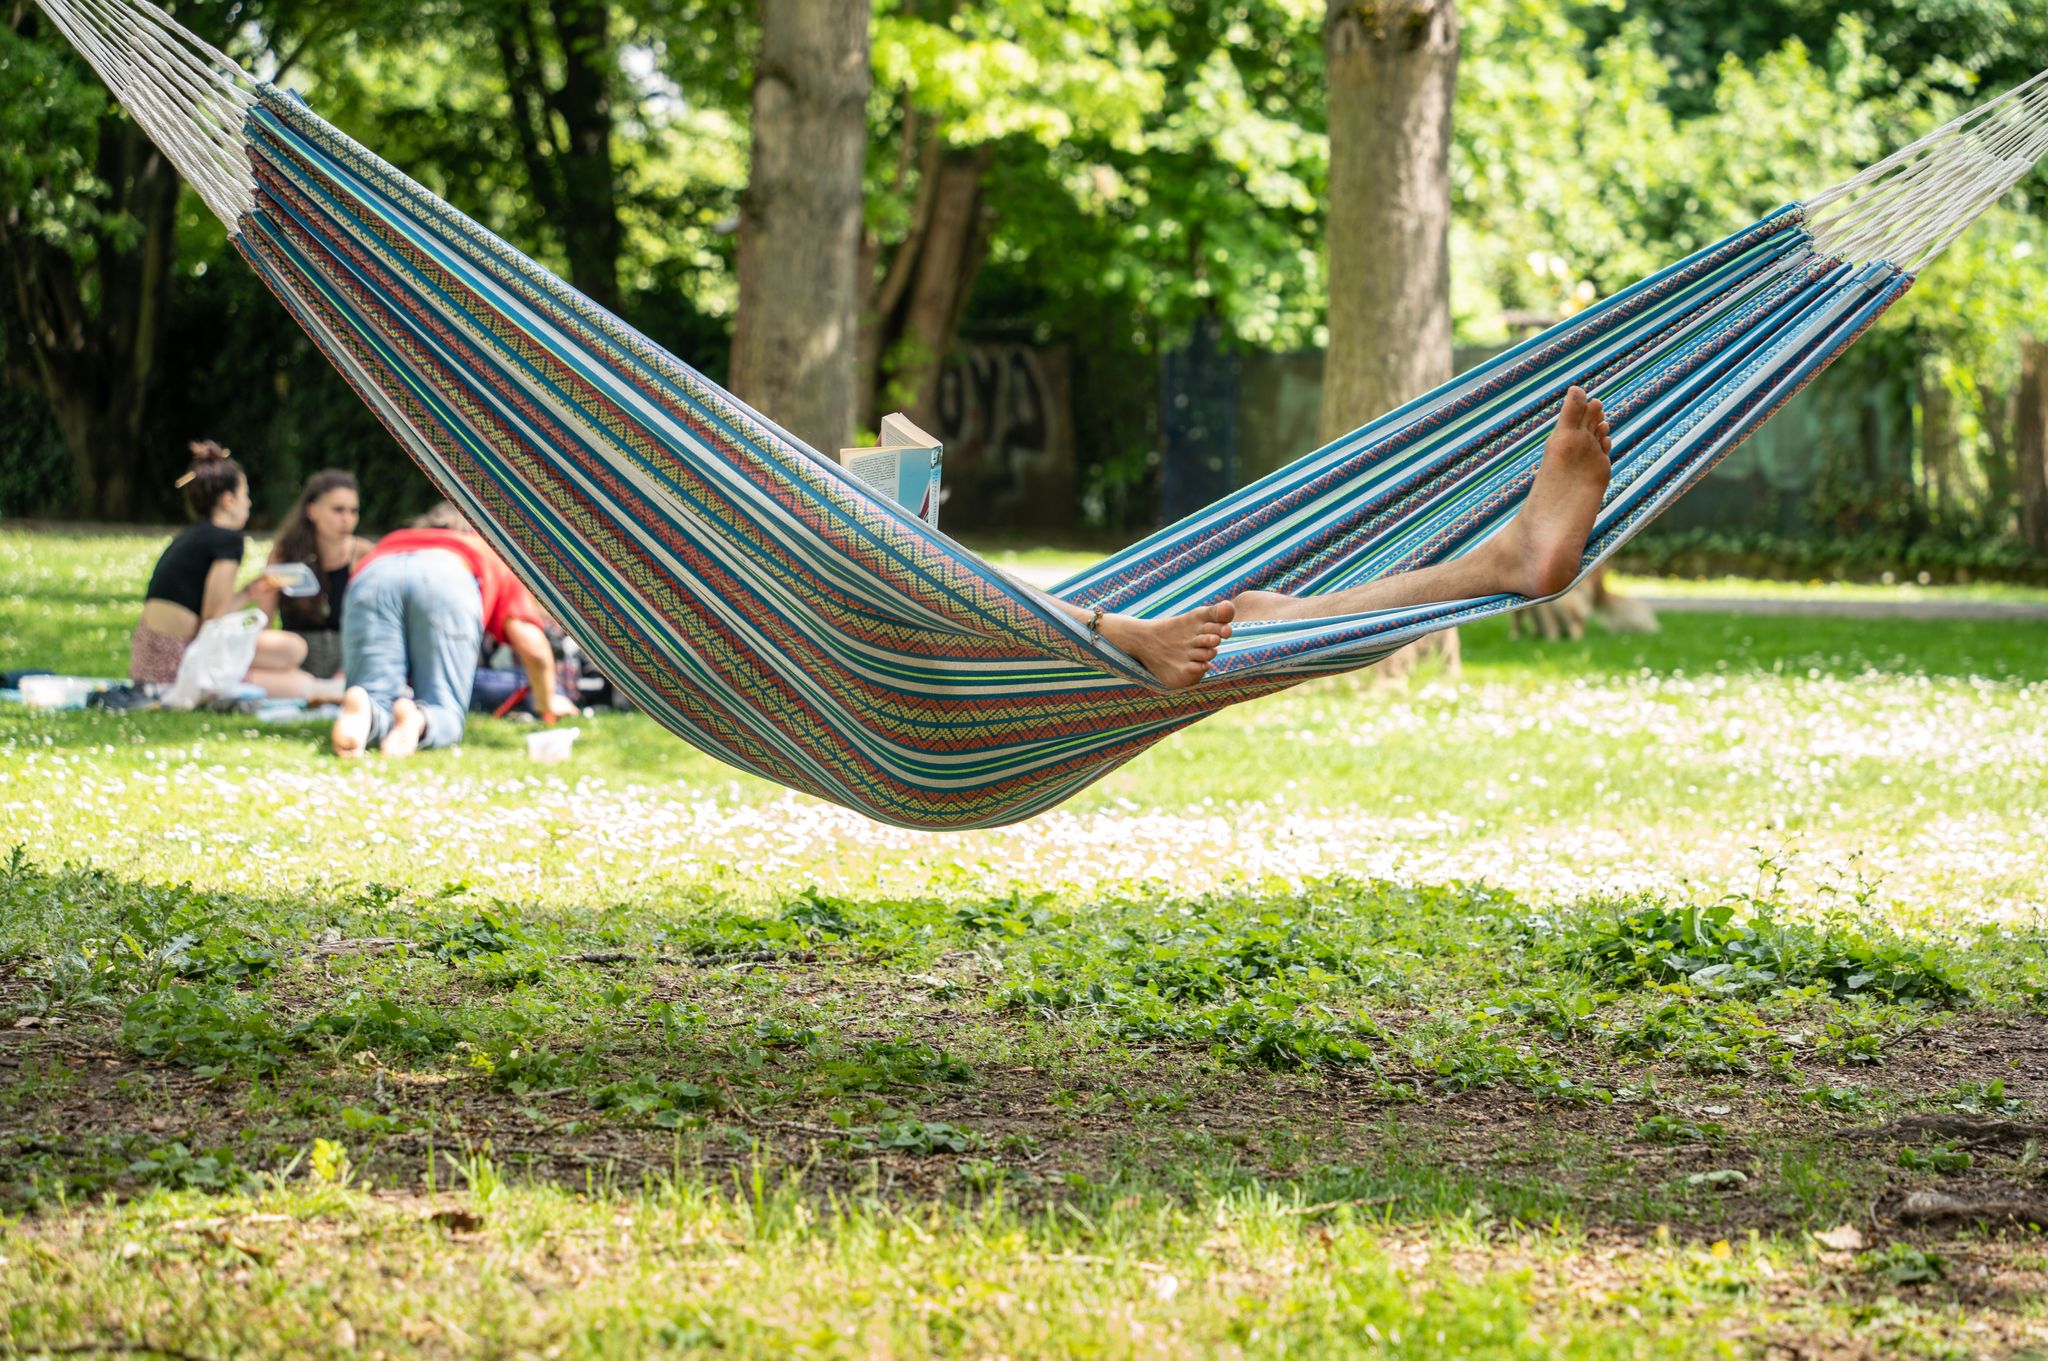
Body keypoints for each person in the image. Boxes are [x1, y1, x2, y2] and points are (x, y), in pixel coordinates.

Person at [1063, 387, 1615, 688]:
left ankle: (1506, 563)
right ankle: (1130, 634)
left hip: (1001, 654)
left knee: (1259, 615)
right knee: (1255, 616)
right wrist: (1124, 634)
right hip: (1002, 660)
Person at [331, 501, 577, 758]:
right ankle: (419, 720)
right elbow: (532, 645)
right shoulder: (487, 550)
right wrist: (547, 700)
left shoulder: (395, 539)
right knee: (443, 708)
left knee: (377, 692)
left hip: (374, 575)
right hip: (448, 577)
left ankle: (367, 712)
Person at [130, 441, 343, 701]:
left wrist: (249, 591)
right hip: (181, 665)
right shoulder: (227, 541)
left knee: (294, 664)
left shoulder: (191, 537)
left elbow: (205, 611)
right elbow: (213, 621)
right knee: (295, 653)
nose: (249, 504)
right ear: (229, 500)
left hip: (147, 663)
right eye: (246, 495)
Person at [269, 470, 376, 681]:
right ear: (312, 511)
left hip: (350, 660)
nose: (347, 519)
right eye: (338, 510)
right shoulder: (285, 553)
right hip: (295, 661)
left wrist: (345, 671)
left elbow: (375, 625)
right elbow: (264, 619)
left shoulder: (364, 554)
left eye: (353, 511)